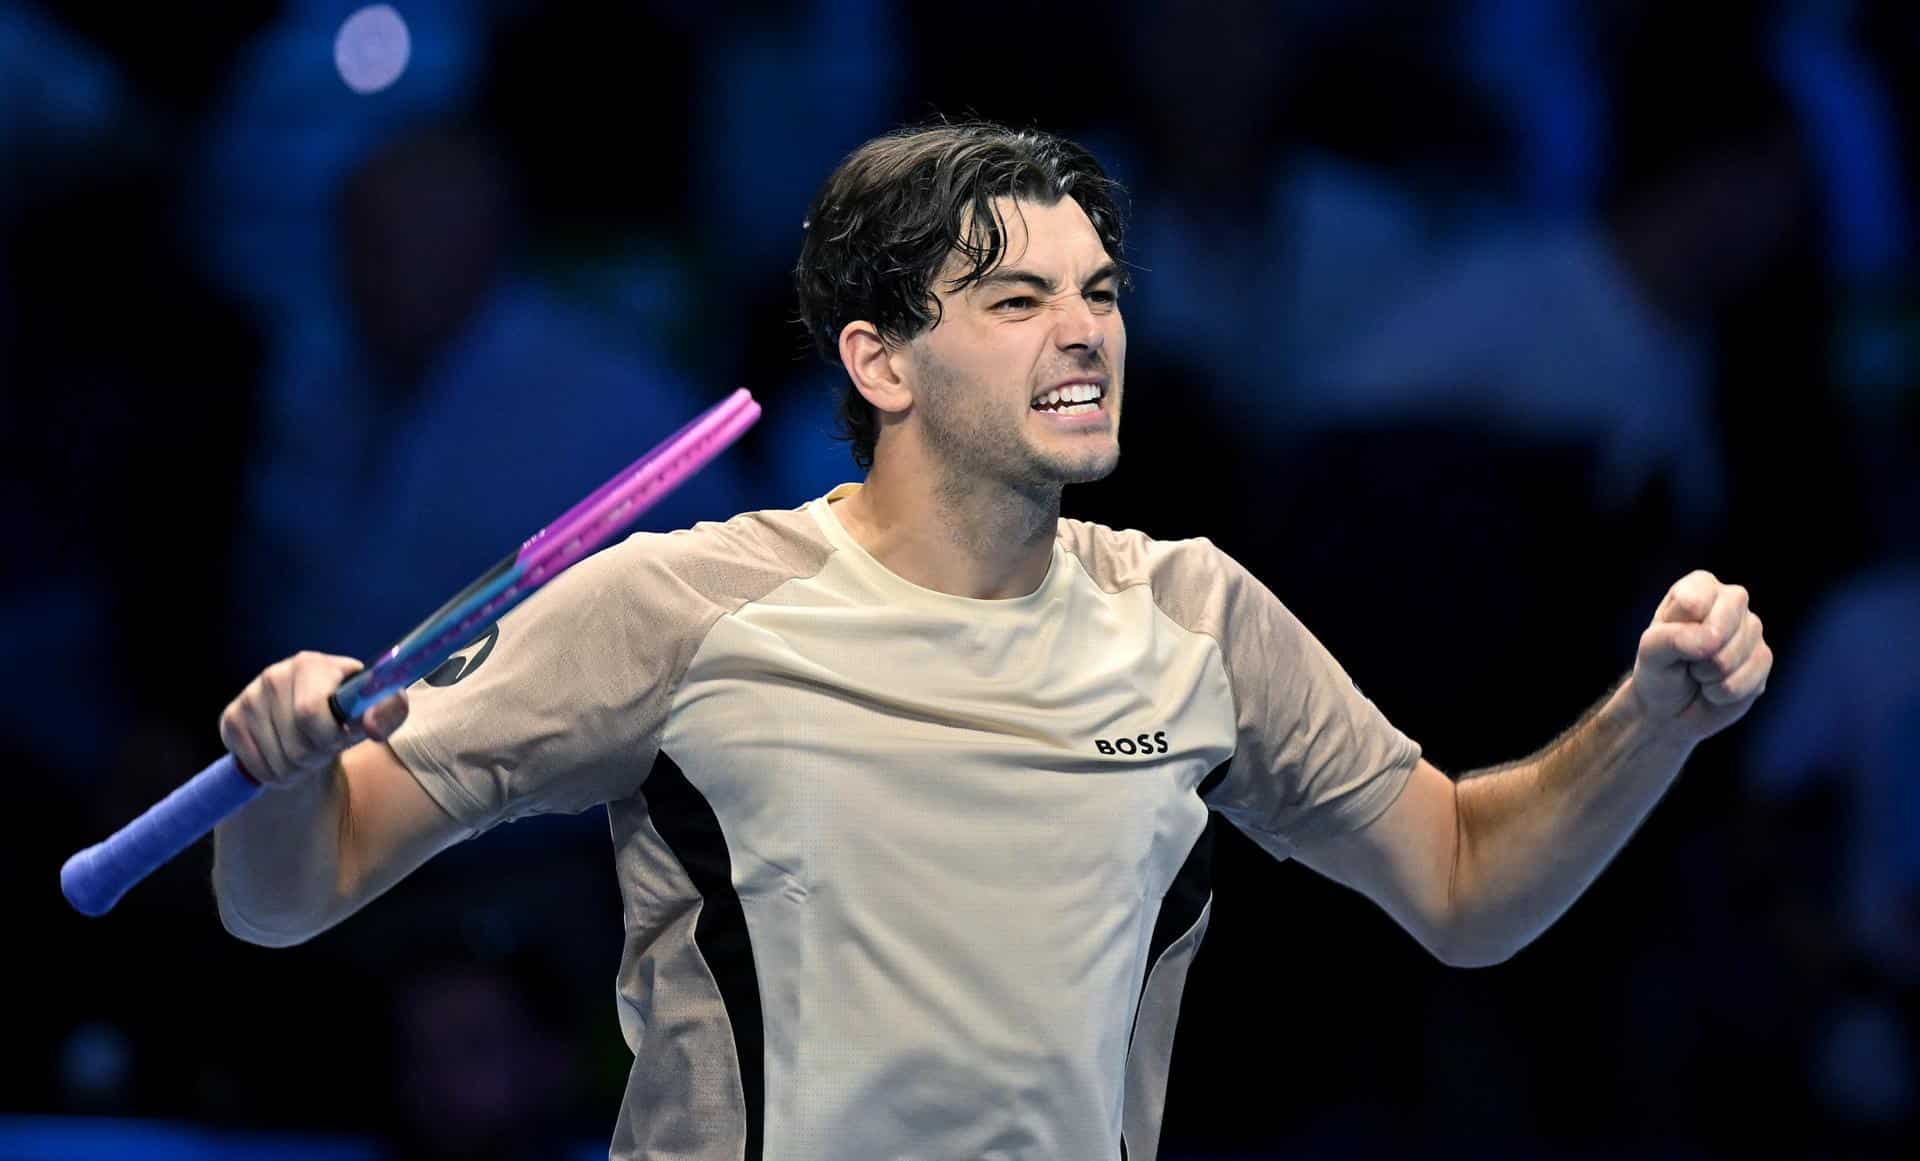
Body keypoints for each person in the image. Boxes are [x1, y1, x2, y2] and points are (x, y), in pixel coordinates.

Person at [210, 121, 1774, 1161]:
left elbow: (1462, 886)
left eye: (1098, 291)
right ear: (878, 358)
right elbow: (294, 897)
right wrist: (286, 772)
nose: (1085, 330)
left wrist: (1651, 721)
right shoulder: (679, 605)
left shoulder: (1196, 615)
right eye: (1017, 296)